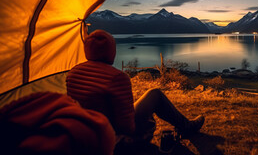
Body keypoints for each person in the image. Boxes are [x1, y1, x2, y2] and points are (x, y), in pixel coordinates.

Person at [66, 30, 204, 143]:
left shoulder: (73, 73)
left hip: (88, 131)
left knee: (149, 98)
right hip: (112, 132)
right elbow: (126, 126)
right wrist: (148, 121)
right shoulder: (117, 77)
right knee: (155, 95)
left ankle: (185, 126)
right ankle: (187, 127)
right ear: (110, 51)